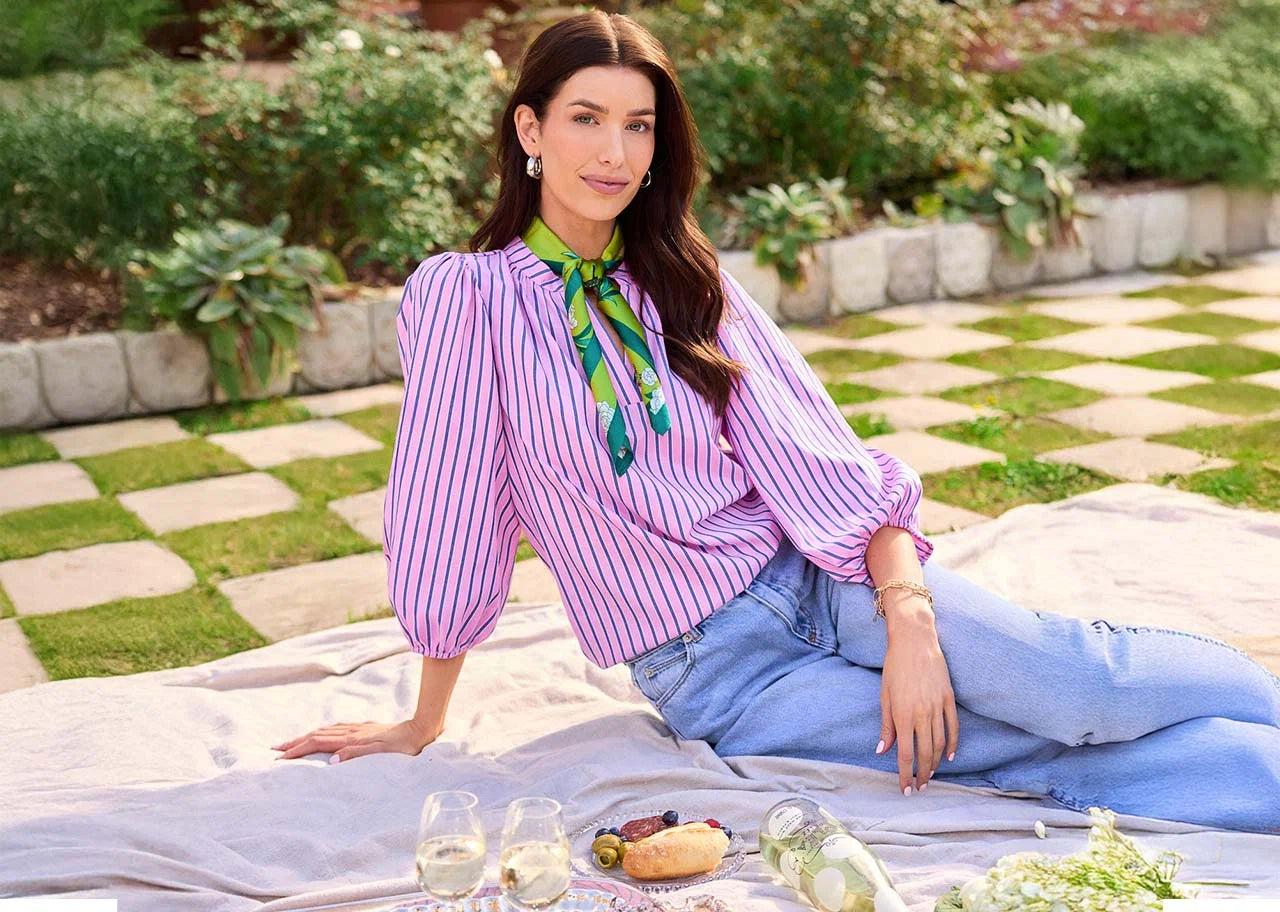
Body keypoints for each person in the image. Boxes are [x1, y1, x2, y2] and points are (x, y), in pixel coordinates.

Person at [272, 10, 1280, 834]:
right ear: (529, 131)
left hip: (826, 579)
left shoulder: (682, 274)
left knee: (1076, 686)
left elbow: (818, 463)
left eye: (638, 125)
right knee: (1028, 761)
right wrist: (421, 718)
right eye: (585, 118)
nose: (614, 151)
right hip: (718, 677)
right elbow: (451, 507)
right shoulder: (464, 296)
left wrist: (907, 615)